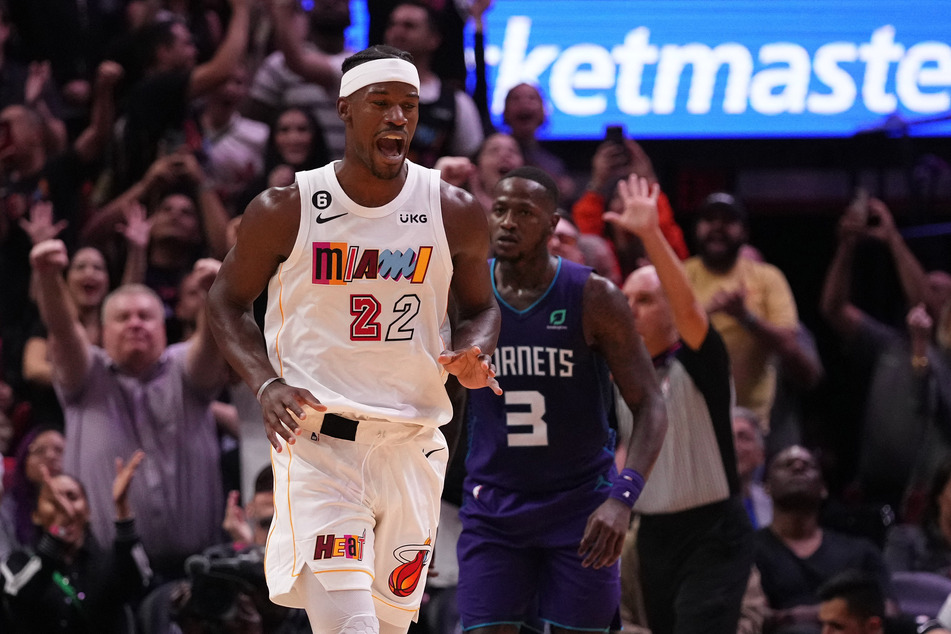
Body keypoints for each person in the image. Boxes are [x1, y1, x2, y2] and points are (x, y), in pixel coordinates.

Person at [206, 44, 501, 634]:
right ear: (344, 109)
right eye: (382, 103)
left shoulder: (454, 210)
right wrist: (265, 383)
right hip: (321, 448)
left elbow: (481, 307)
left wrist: (474, 350)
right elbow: (225, 301)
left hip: (412, 447)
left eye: (409, 107)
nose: (398, 118)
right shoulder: (286, 209)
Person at [456, 167, 667, 633]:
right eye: (500, 210)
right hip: (494, 508)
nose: (508, 222)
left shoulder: (594, 296)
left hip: (581, 509)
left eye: (525, 213)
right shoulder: (466, 292)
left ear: (553, 225)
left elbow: (651, 404)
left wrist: (623, 497)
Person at [30, 239, 230, 581]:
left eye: (146, 317)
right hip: (106, 576)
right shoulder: (86, 375)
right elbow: (64, 331)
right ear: (104, 333)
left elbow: (211, 341)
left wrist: (217, 293)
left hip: (197, 570)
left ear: (163, 329)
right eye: (123, 318)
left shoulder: (185, 368)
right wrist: (48, 277)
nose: (135, 324)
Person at [605, 175, 753, 634]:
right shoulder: (615, 373)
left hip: (713, 533)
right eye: (625, 299)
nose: (630, 308)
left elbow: (691, 311)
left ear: (672, 308)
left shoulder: (702, 359)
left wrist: (650, 234)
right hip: (651, 535)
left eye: (645, 300)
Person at [820, 196, 951, 521]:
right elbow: (833, 309)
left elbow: (924, 302)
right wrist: (847, 247)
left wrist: (893, 238)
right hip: (875, 492)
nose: (929, 292)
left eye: (941, 291)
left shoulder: (946, 355)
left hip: (931, 498)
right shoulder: (888, 344)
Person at [683, 192, 804, 428]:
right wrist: (706, 313)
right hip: (693, 418)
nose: (717, 227)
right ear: (697, 228)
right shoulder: (680, 275)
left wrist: (745, 317)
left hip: (752, 421)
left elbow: (789, 344)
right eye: (710, 219)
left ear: (744, 232)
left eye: (728, 221)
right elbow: (664, 344)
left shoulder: (768, 277)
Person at [1, 450, 153, 633]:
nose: (66, 508)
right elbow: (18, 596)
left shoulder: (105, 561)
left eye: (72, 497)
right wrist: (57, 530)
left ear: (88, 511)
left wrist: (122, 508)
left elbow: (140, 579)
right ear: (36, 516)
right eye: (54, 501)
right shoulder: (19, 562)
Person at [756, 445, 891, 634]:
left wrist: (799, 615)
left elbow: (889, 610)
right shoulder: (746, 551)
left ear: (823, 488)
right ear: (766, 487)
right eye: (786, 465)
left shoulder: (860, 551)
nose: (797, 468)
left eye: (808, 465)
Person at [383, 1, 484, 167]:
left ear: (434, 39)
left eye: (409, 26)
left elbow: (468, 162)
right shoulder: (363, 88)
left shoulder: (457, 103)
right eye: (393, 24)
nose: (397, 32)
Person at [817, 570, 950, 634]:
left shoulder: (906, 628)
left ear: (873, 626)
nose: (825, 633)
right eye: (823, 624)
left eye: (837, 626)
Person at [734, 407, 773, 529]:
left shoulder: (774, 504)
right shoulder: (698, 506)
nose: (734, 446)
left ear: (761, 454)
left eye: (743, 437)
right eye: (727, 438)